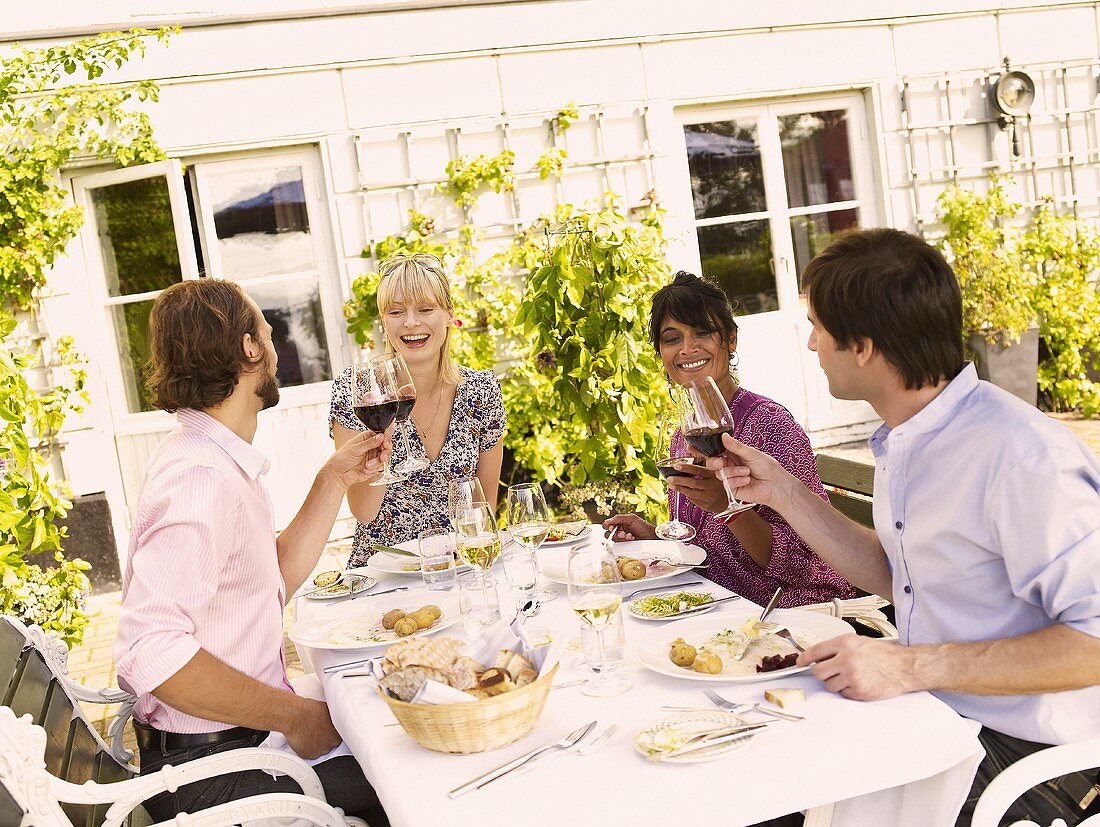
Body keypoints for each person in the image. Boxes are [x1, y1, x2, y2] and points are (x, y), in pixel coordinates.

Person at [709, 228, 1100, 826]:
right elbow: (906, 578)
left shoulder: (1021, 456)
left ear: (862, 345)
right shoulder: (915, 436)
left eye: (817, 326)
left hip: (1031, 757)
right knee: (747, 768)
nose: (811, 344)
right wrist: (781, 492)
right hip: (943, 716)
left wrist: (908, 664)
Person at [114, 279, 390, 824]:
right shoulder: (200, 478)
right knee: (419, 781)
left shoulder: (212, 457)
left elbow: (274, 573)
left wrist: (333, 480)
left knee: (394, 732)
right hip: (217, 775)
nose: (273, 338)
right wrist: (295, 716)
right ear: (247, 347)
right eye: (266, 327)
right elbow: (151, 652)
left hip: (236, 748)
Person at [605, 271, 854, 608]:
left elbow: (806, 562)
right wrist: (654, 538)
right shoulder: (685, 431)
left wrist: (730, 508)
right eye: (672, 338)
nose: (688, 348)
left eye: (702, 333)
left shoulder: (770, 425)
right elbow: (704, 544)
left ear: (731, 339)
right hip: (716, 602)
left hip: (785, 611)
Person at [330, 253, 505, 566]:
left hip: (458, 568)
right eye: (396, 311)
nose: (411, 323)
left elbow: (484, 512)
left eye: (425, 309)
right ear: (384, 320)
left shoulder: (481, 392)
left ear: (449, 315)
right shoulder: (356, 392)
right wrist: (382, 433)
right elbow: (364, 512)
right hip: (384, 577)